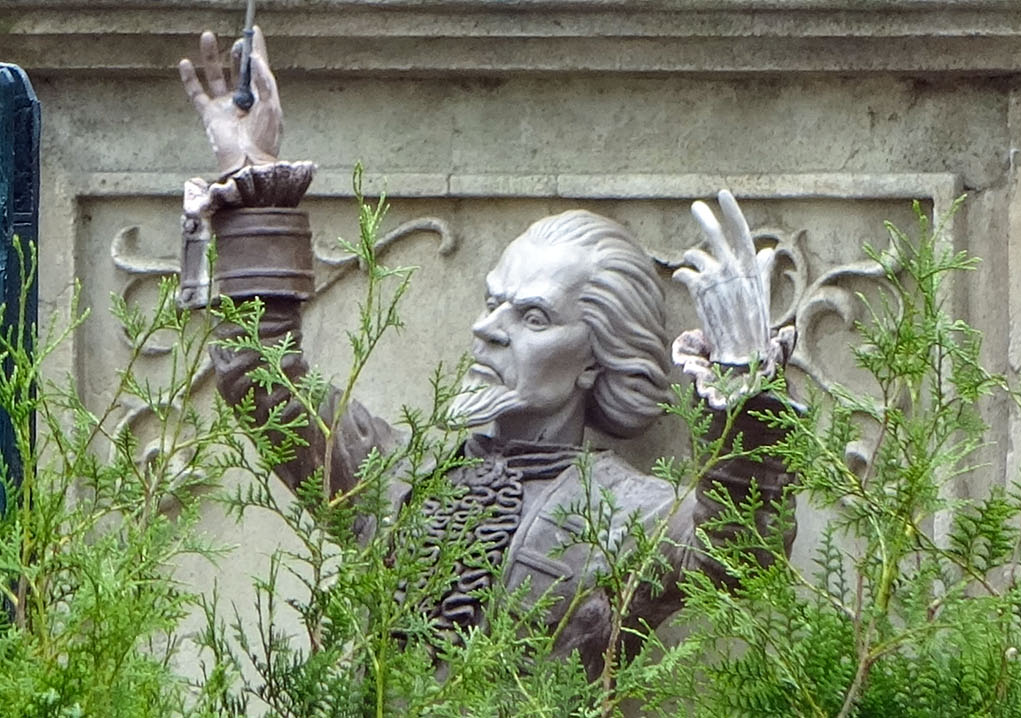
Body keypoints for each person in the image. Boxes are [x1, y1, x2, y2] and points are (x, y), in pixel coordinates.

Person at [177, 28, 797, 678]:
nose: (488, 329)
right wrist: (251, 182)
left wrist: (744, 390)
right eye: (493, 302)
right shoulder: (390, 478)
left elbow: (738, 556)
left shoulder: (629, 517)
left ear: (595, 359)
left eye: (531, 316)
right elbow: (261, 376)